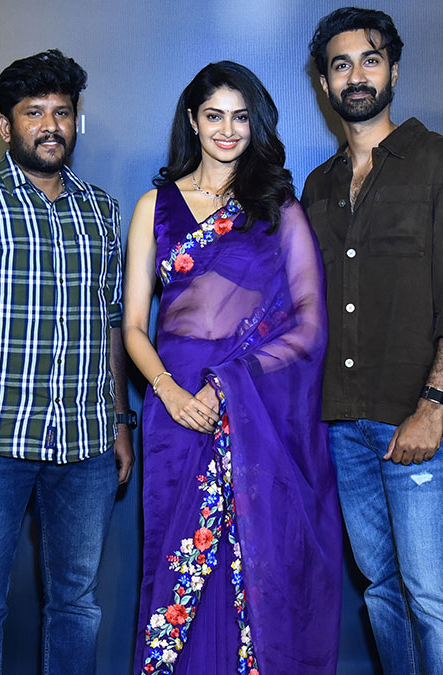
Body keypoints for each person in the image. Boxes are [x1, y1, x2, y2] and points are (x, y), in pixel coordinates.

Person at [123, 61, 342, 675]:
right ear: (192, 121)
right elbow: (133, 327)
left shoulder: (276, 208)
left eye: (240, 118)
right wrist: (170, 393)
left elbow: (309, 324)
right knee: (175, 560)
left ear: (256, 124)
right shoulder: (154, 206)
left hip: (254, 410)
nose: (227, 130)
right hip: (175, 412)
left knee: (253, 563)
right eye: (214, 116)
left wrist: (228, 386)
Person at [0, 49, 134, 675]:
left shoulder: (101, 209)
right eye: (33, 112)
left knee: (78, 604)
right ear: (4, 124)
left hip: (87, 444)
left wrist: (119, 421)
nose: (50, 126)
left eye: (61, 113)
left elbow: (111, 322)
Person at [302, 8, 443, 674]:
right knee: (383, 590)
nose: (357, 75)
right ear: (324, 82)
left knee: (433, 594)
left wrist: (433, 404)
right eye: (341, 64)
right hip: (343, 424)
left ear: (395, 71)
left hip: (419, 419)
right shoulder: (318, 186)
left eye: (371, 59)